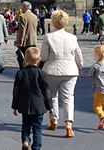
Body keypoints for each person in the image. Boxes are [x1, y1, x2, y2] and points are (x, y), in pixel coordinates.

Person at [40, 10, 83, 138]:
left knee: (52, 96)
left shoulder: (48, 37)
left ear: (53, 22)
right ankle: (69, 124)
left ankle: (53, 120)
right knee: (68, 97)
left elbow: (43, 57)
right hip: (70, 70)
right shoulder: (73, 37)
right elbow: (79, 57)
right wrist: (79, 67)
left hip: (52, 70)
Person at [11, 47, 53, 150]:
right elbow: (46, 92)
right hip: (39, 106)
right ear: (39, 60)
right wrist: (50, 107)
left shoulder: (20, 73)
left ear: (25, 59)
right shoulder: (42, 74)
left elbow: (16, 91)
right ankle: (36, 147)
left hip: (24, 104)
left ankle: (25, 141)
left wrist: (14, 106)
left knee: (25, 125)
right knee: (37, 129)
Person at [15, 2, 39, 69]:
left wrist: (19, 42)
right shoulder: (35, 16)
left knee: (24, 59)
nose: (21, 8)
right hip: (33, 41)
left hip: (25, 42)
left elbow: (22, 31)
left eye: (22, 7)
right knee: (31, 58)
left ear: (25, 7)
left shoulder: (23, 16)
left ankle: (24, 72)